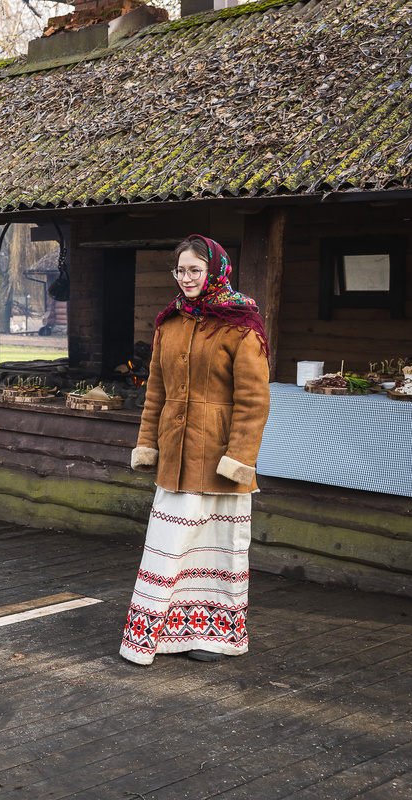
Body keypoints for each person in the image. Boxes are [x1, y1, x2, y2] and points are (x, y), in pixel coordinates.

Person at [120, 235, 271, 665]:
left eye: (194, 271)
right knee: (168, 547)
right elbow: (155, 394)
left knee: (216, 548)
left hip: (220, 460)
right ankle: (163, 635)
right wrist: (147, 444)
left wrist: (239, 459)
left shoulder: (242, 326)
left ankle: (211, 637)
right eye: (180, 271)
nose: (186, 279)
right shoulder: (168, 323)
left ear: (215, 271)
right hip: (175, 456)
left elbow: (254, 401)